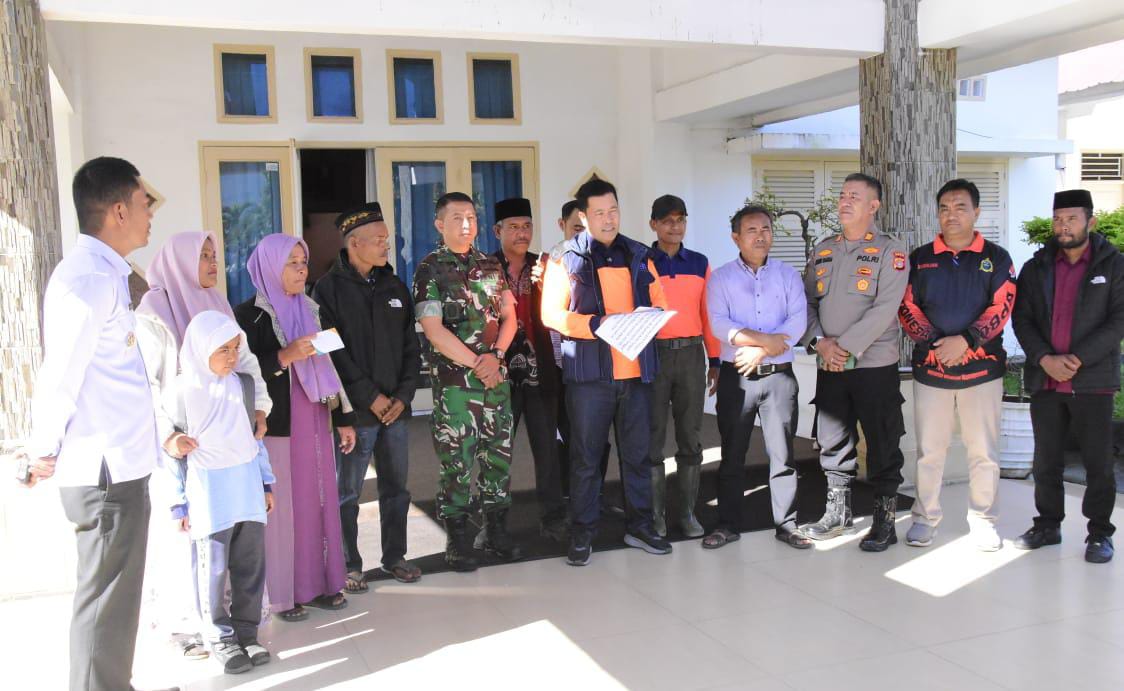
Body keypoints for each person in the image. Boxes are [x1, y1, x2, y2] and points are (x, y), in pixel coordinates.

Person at [24, 156, 159, 691]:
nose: (151, 213)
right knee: (104, 602)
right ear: (119, 211)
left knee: (117, 601)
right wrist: (42, 448)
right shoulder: (87, 280)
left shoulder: (107, 274)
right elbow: (61, 373)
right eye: (145, 204)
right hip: (104, 469)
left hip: (122, 463)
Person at [136, 231, 271, 658]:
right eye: (204, 256)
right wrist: (166, 434)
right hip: (182, 443)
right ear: (179, 262)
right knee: (188, 543)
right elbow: (146, 383)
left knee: (235, 546)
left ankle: (239, 629)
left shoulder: (218, 304)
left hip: (229, 442)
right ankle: (190, 629)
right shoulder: (152, 311)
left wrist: (259, 407)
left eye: (214, 255)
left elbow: (246, 364)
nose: (214, 263)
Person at [541, 177, 673, 566]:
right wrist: (596, 325)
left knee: (638, 456)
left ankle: (641, 526)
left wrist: (648, 318)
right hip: (590, 379)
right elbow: (551, 315)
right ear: (584, 217)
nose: (608, 218)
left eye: (613, 210)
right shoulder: (565, 258)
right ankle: (583, 532)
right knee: (586, 458)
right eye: (599, 213)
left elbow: (660, 302)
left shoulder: (639, 254)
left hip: (635, 374)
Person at [234, 234, 357, 621]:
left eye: (304, 262)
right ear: (271, 266)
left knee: (318, 501)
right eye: (293, 263)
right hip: (278, 424)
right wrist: (284, 356)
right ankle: (284, 594)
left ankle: (321, 584)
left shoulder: (312, 309)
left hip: (316, 417)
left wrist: (344, 417)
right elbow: (242, 372)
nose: (302, 270)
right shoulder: (248, 316)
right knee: (284, 509)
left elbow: (332, 365)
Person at [899, 179, 1015, 551]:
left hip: (982, 372)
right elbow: (907, 306)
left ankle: (984, 522)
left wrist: (966, 340)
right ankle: (924, 518)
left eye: (960, 207)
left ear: (976, 212)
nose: (951, 215)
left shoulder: (997, 257)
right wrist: (937, 344)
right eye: (945, 208)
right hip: (932, 371)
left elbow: (1002, 306)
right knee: (930, 453)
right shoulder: (920, 258)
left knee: (983, 453)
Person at [312, 203, 423, 592]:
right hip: (356, 412)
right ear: (354, 243)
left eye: (386, 240)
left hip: (396, 411)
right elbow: (331, 354)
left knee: (397, 489)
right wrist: (370, 397)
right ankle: (348, 564)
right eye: (378, 240)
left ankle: (395, 556)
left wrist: (403, 396)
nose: (386, 246)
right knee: (348, 492)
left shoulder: (395, 286)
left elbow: (411, 347)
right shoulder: (326, 290)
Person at [1011, 188, 1124, 564]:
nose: (1064, 226)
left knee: (1098, 462)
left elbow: (1118, 320)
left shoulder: (1114, 265)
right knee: (1046, 460)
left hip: (1093, 380)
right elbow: (1022, 318)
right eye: (1058, 219)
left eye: (1072, 219)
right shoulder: (1036, 267)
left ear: (1091, 222)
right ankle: (1047, 525)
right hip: (1045, 379)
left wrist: (1076, 359)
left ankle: (1099, 533)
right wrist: (1044, 358)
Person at [801, 173, 909, 552]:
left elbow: (885, 308)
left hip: (873, 366)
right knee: (833, 440)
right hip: (829, 365)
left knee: (882, 441)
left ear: (873, 206)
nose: (845, 201)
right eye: (843, 195)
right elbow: (806, 303)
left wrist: (843, 348)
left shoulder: (890, 252)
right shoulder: (823, 249)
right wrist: (820, 344)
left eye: (855, 196)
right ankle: (838, 515)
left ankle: (884, 521)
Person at [414, 192, 521, 571]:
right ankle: (457, 540)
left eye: (472, 217)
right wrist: (479, 362)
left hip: (495, 382)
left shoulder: (491, 265)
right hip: (456, 387)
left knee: (498, 458)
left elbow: (510, 318)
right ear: (439, 224)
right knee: (456, 463)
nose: (466, 224)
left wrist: (498, 356)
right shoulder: (429, 269)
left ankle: (495, 532)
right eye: (457, 218)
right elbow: (433, 330)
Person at [170, 311, 275, 674]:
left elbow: (255, 439)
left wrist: (266, 483)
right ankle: (219, 637)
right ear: (201, 349)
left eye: (235, 348)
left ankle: (247, 632)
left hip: (247, 491)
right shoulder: (182, 393)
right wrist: (178, 503)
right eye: (223, 350)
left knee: (250, 567)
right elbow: (171, 453)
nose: (232, 357)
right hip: (210, 494)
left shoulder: (243, 386)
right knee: (212, 570)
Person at [704, 204, 811, 550]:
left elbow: (797, 321)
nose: (760, 236)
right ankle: (727, 525)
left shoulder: (787, 275)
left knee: (782, 456)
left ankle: (787, 524)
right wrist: (765, 340)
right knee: (732, 454)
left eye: (766, 229)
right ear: (736, 238)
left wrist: (762, 352)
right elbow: (719, 323)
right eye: (752, 230)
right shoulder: (721, 278)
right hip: (737, 378)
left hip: (779, 378)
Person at [491, 197, 568, 541]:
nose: (522, 233)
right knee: (497, 454)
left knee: (547, 450)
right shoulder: (484, 268)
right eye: (513, 227)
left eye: (527, 226)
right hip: (499, 376)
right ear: (497, 231)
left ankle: (553, 518)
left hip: (541, 374)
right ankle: (493, 525)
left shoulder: (546, 266)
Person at [646, 194, 721, 538]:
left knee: (690, 437)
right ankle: (656, 516)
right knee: (652, 438)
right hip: (653, 356)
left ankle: (688, 514)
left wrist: (715, 359)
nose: (675, 227)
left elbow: (707, 313)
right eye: (667, 221)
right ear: (654, 224)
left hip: (692, 355)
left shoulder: (699, 263)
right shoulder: (641, 261)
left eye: (680, 220)